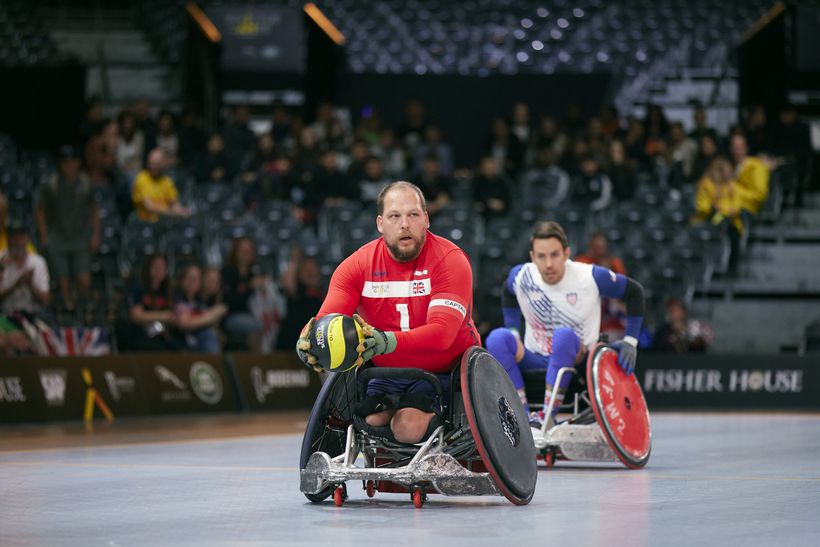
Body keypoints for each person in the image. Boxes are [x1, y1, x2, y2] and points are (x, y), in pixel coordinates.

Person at [295, 181, 480, 444]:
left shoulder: (450, 259)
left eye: (413, 215)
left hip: (444, 371)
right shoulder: (356, 266)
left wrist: (387, 341)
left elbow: (442, 335)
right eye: (395, 216)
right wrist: (309, 342)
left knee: (406, 426)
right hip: (387, 373)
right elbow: (327, 320)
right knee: (372, 420)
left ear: (426, 219)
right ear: (380, 223)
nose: (405, 224)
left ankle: (439, 424)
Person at [485, 221, 645, 428]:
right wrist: (514, 330)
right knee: (497, 338)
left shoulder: (591, 276)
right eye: (541, 256)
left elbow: (635, 292)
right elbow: (507, 293)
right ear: (533, 257)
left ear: (566, 254)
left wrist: (630, 341)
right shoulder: (521, 275)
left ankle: (548, 417)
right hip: (535, 359)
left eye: (554, 255)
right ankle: (520, 416)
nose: (549, 264)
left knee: (563, 336)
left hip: (579, 360)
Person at [35, 145, 101, 313]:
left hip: (80, 237)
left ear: (78, 163)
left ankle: (83, 308)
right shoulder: (52, 184)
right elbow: (40, 210)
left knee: (84, 280)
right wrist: (44, 236)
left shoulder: (85, 183)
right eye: (65, 162)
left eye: (72, 162)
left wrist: (95, 235)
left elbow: (94, 210)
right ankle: (68, 312)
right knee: (62, 281)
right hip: (58, 237)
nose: (69, 166)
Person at [0, 221, 51, 317]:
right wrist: (15, 286)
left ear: (27, 239)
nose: (17, 241)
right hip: (5, 315)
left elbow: (45, 300)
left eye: (20, 237)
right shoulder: (1, 260)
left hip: (32, 315)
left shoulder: (38, 262)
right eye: (13, 237)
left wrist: (30, 284)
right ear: (7, 239)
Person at [174, 263, 227, 353]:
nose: (193, 282)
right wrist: (211, 317)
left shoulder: (200, 300)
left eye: (197, 279)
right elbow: (184, 323)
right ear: (182, 280)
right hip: (180, 341)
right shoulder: (177, 297)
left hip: (198, 342)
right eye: (190, 279)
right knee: (208, 334)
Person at [132, 148, 190, 222]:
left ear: (163, 163)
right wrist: (171, 212)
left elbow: (174, 203)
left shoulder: (167, 181)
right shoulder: (141, 178)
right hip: (145, 223)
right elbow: (149, 206)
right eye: (151, 163)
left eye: (157, 164)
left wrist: (182, 211)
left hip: (164, 222)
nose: (153, 167)